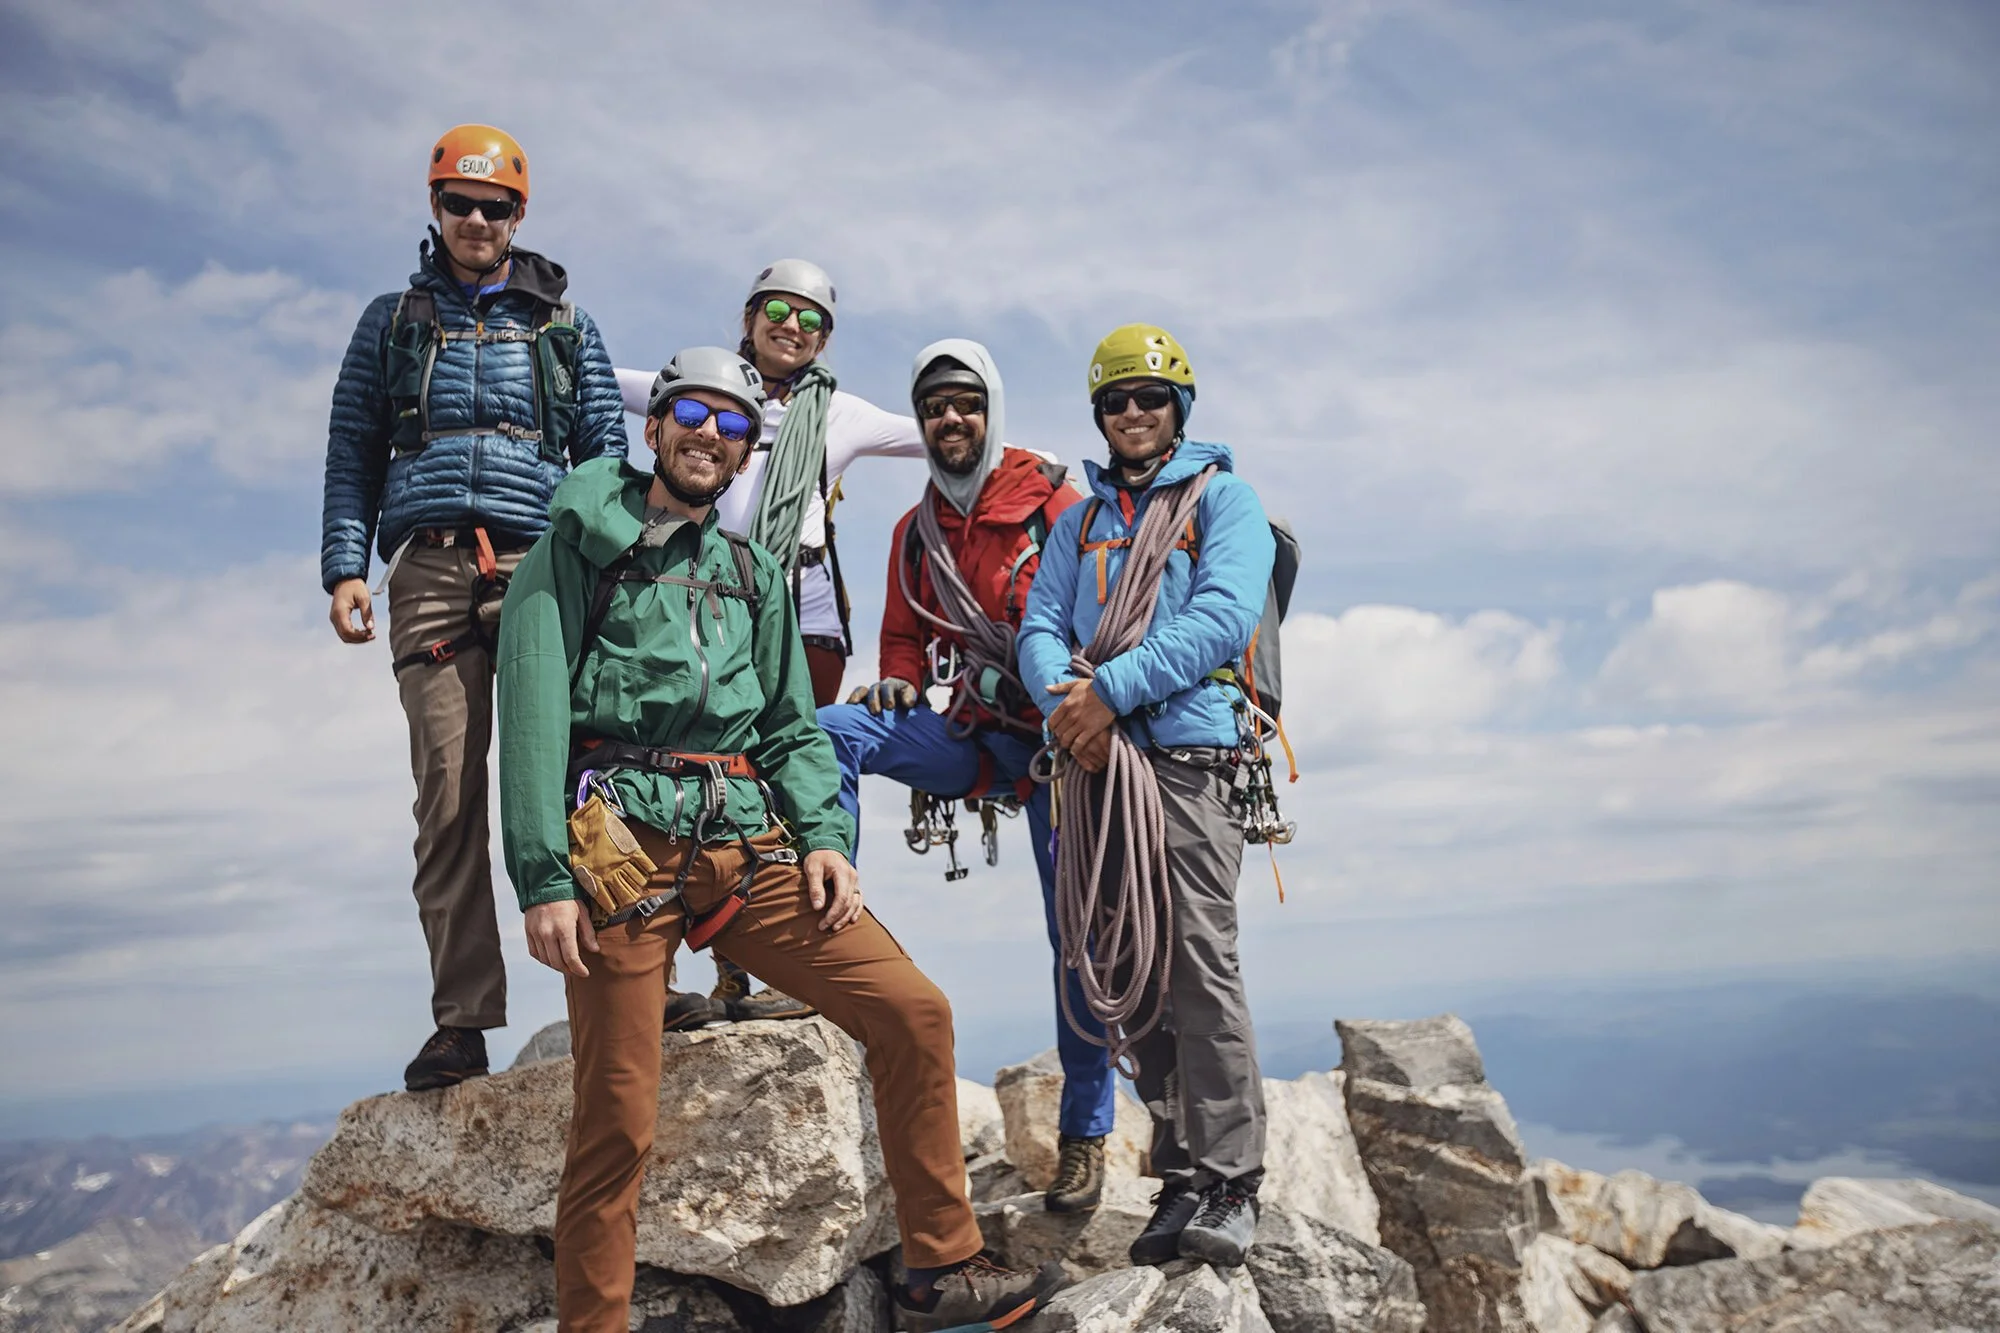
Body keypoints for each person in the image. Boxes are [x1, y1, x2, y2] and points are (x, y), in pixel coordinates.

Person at [496, 346, 1064, 1333]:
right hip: (615, 850)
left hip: (742, 846)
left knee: (911, 1010)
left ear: (749, 448)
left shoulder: (750, 573)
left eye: (729, 425)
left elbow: (792, 727)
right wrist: (542, 876)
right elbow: (534, 711)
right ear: (654, 425)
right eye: (691, 416)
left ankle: (940, 1267)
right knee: (618, 1112)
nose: (707, 437)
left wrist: (824, 838)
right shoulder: (576, 547)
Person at [321, 124, 626, 1092]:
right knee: (448, 790)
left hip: (539, 565)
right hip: (429, 571)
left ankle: (625, 975)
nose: (476, 221)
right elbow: (351, 450)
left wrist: (606, 569)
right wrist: (344, 567)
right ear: (435, 207)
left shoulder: (565, 325)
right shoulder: (391, 320)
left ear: (518, 216)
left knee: (581, 771)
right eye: (460, 202)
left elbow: (606, 452)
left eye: (494, 207)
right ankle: (460, 1020)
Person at [816, 340, 1121, 1214]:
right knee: (835, 728)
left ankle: (1086, 1132)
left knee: (1079, 939)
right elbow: (904, 638)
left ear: (991, 410)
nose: (951, 420)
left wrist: (1028, 686)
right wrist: (902, 678)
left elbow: (1096, 630)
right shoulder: (917, 533)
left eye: (966, 404)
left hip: (1064, 748)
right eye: (935, 407)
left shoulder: (1057, 508)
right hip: (973, 736)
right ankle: (833, 935)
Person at [1016, 324, 1276, 1268]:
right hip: (1097, 761)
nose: (1134, 413)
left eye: (1151, 398)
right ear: (1100, 414)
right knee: (1132, 969)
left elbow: (1222, 617)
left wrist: (1107, 693)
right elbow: (1039, 623)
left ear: (1180, 410)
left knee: (1200, 961)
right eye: (1117, 400)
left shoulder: (1224, 500)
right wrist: (1064, 700)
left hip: (1187, 757)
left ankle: (1234, 1175)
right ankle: (1181, 1172)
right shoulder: (1079, 522)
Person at [614, 259, 926, 1028]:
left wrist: (1044, 463)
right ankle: (720, 968)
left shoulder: (841, 413)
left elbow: (945, 433)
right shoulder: (706, 395)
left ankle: (790, 951)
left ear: (826, 338)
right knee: (715, 771)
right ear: (750, 315)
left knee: (794, 773)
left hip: (808, 614)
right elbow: (605, 379)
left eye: (813, 318)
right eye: (779, 310)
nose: (794, 327)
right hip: (716, 607)